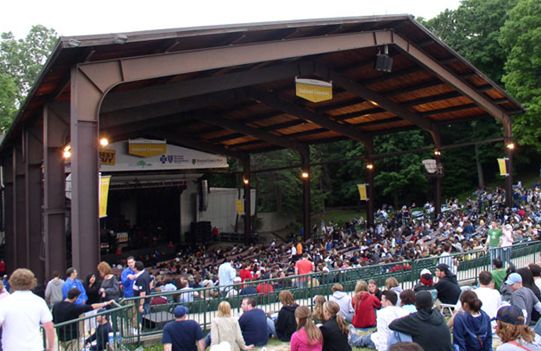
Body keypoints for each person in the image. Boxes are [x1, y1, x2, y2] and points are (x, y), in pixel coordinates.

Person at [0, 268, 55, 351]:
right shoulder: (39, 301)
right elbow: (49, 327)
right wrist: (50, 347)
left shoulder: (5, 302)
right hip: (34, 347)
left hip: (11, 347)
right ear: (32, 282)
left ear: (12, 282)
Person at [389, 291, 453, 351]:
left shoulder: (414, 319)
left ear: (416, 304)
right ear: (432, 303)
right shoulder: (439, 316)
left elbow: (392, 325)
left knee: (398, 332)